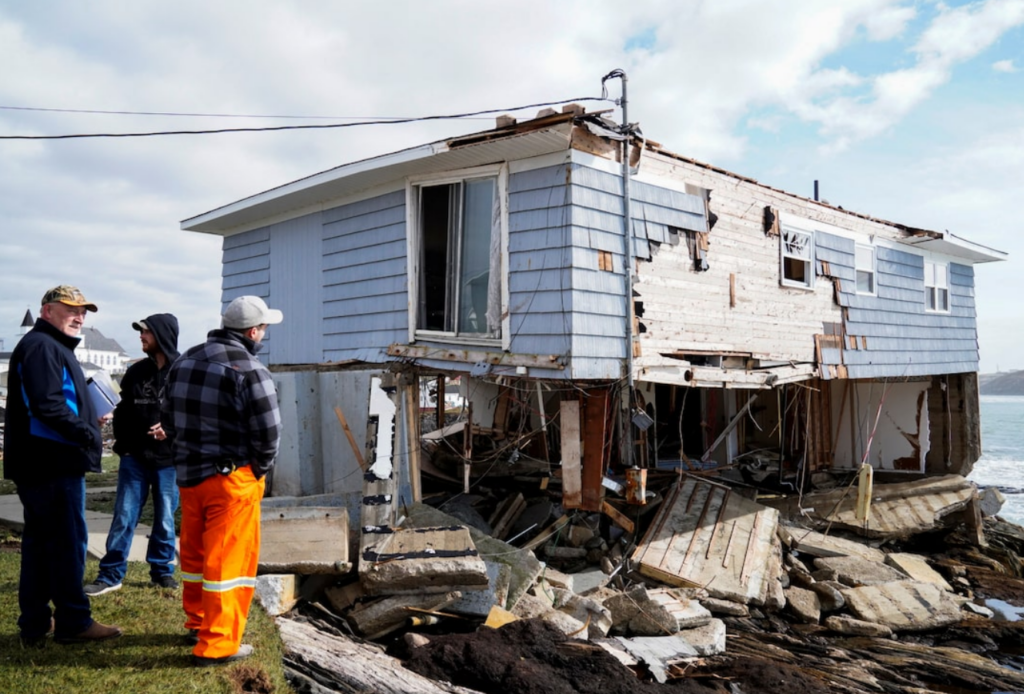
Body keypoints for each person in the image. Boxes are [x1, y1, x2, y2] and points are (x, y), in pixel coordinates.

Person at [161, 295, 282, 666]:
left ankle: (198, 623)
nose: (263, 335)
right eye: (263, 329)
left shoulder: (184, 361)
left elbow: (167, 419)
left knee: (196, 558)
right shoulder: (250, 369)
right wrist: (258, 470)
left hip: (189, 477)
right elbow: (269, 434)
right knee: (228, 565)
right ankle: (217, 644)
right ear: (252, 331)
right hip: (232, 481)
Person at [2, 286, 123, 645]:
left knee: (41, 546)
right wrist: (87, 432)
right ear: (47, 310)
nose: (80, 316)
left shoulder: (50, 346)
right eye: (71, 309)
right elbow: (47, 407)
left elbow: (55, 402)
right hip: (50, 464)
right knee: (68, 543)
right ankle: (73, 621)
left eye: (84, 311)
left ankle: (35, 624)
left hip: (43, 463)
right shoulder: (41, 347)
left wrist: (88, 415)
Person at [85, 314, 181, 596]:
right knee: (124, 516)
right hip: (134, 458)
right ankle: (111, 574)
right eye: (141, 332)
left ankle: (162, 572)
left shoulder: (184, 371)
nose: (141, 336)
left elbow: (194, 414)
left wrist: (171, 429)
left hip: (169, 461)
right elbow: (124, 410)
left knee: (164, 518)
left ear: (162, 335)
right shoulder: (136, 372)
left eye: (146, 332)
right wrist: (123, 448)